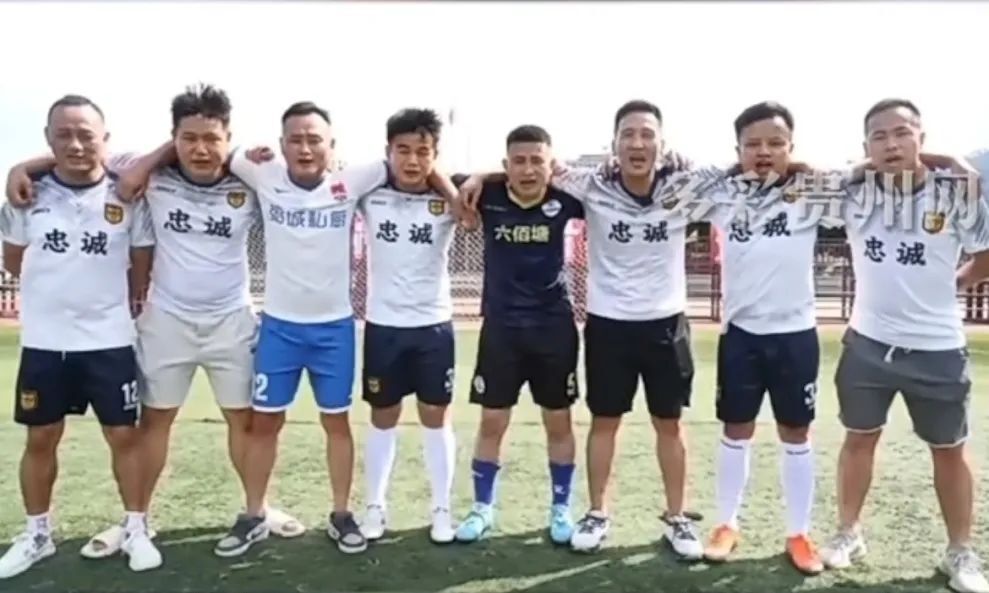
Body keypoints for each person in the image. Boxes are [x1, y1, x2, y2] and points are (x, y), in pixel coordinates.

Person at [3, 84, 305, 560]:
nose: (200, 149)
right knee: (154, 422)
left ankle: (256, 510)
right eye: (188, 139)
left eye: (212, 138)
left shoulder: (249, 178)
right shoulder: (149, 173)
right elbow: (84, 156)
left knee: (244, 420)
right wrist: (21, 168)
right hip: (165, 320)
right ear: (172, 140)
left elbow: (305, 172)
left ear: (229, 139)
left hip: (231, 319)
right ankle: (136, 522)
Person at [460, 100, 712, 558]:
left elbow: (741, 174)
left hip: (665, 324)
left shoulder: (684, 185)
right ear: (613, 144)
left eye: (647, 134)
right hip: (607, 323)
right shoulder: (590, 187)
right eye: (628, 134)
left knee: (669, 423)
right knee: (603, 421)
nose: (637, 143)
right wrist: (481, 175)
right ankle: (596, 512)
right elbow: (532, 168)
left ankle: (677, 518)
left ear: (662, 143)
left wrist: (796, 164)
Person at [819, 98, 989, 593]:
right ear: (865, 146)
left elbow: (985, 251)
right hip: (867, 344)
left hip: (938, 348)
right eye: (879, 136)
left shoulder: (955, 194)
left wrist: (959, 281)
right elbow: (804, 187)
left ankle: (960, 551)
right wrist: (863, 166)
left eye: (902, 133)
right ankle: (848, 532)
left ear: (922, 138)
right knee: (859, 439)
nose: (891, 144)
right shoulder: (854, 193)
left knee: (949, 450)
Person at [0, 95, 160, 578]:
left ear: (104, 139)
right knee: (41, 436)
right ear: (48, 140)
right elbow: (13, 261)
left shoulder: (128, 196)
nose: (75, 145)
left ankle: (136, 528)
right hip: (45, 342)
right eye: (64, 135)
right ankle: (37, 534)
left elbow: (141, 266)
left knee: (124, 435)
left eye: (86, 135)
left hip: (109, 340)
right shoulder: (26, 195)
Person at [697, 101, 824, 574]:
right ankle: (726, 524)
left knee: (796, 432)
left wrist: (803, 169)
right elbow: (684, 182)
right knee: (736, 429)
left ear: (792, 147)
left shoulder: (814, 193)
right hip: (741, 335)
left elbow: (866, 172)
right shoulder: (722, 196)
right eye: (752, 144)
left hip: (796, 335)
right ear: (738, 151)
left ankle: (799, 533)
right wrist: (736, 171)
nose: (764, 152)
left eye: (775, 143)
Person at [451, 125, 584, 546]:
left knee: (558, 422)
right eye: (519, 161)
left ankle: (561, 508)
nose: (528, 170)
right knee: (492, 421)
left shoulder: (566, 199)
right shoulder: (486, 195)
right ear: (505, 166)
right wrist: (478, 176)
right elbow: (438, 177)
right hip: (502, 330)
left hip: (553, 329)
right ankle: (482, 508)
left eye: (537, 161)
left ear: (551, 165)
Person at [357, 108, 459, 544]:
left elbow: (478, 200)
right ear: (388, 152)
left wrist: (449, 187)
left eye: (423, 151)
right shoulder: (369, 194)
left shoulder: (451, 199)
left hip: (433, 326)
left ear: (436, 155)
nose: (412, 160)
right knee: (383, 416)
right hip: (384, 327)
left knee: (436, 417)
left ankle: (441, 509)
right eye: (403, 150)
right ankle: (375, 506)